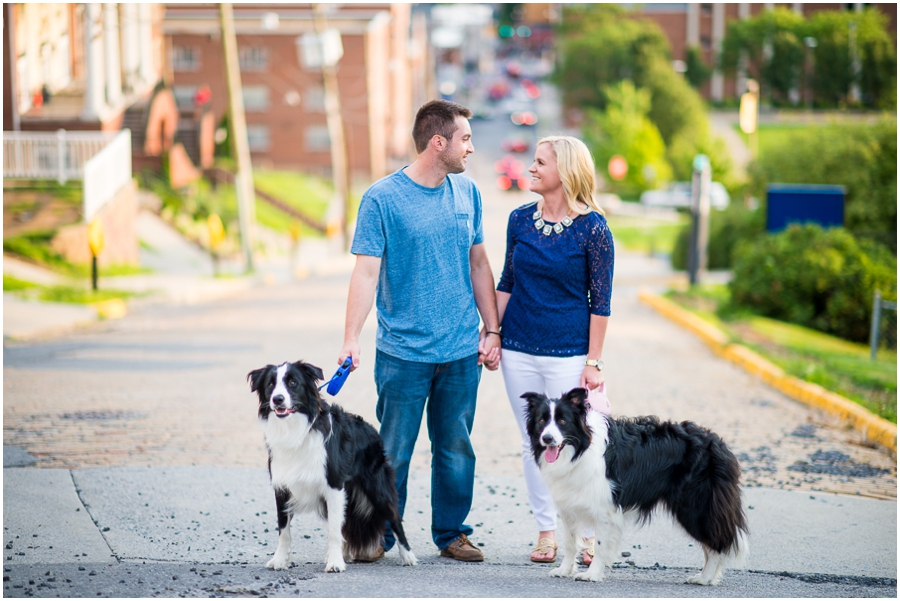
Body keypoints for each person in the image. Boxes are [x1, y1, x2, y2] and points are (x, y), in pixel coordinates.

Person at [339, 99, 501, 563]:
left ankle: (452, 533)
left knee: (455, 449)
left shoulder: (467, 193)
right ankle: (379, 535)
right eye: (465, 138)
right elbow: (366, 273)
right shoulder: (382, 198)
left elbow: (478, 262)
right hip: (402, 353)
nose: (470, 147)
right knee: (393, 452)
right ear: (438, 142)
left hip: (458, 351)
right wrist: (351, 337)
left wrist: (493, 330)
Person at [495, 136, 614, 564]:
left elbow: (600, 301)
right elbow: (507, 280)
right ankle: (547, 532)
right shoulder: (519, 220)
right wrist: (491, 332)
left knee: (576, 443)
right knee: (538, 441)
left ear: (565, 171)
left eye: (539, 162)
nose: (530, 168)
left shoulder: (594, 229)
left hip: (568, 353)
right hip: (519, 349)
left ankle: (584, 535)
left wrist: (594, 361)